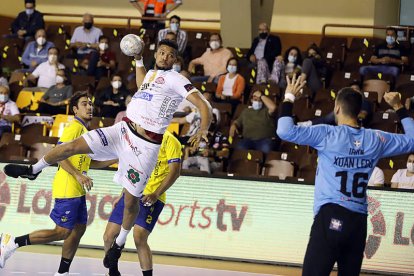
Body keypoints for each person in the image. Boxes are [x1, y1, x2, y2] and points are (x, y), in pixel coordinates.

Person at [3, 39, 212, 275]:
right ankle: (34, 170)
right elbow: (142, 83)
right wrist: (138, 59)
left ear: (175, 60)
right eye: (162, 52)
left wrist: (203, 129)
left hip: (145, 146)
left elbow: (203, 105)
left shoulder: (176, 79)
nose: (165, 56)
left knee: (131, 200)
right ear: (157, 54)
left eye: (170, 55)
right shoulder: (152, 74)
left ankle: (120, 243)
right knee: (71, 146)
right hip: (122, 131)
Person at [276, 74, 414, 276]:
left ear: (337, 109)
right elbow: (412, 140)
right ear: (359, 112)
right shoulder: (375, 138)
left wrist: (289, 97)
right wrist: (399, 107)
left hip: (331, 213)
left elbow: (284, 130)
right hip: (358, 221)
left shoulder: (327, 134)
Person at [0, 91, 117, 273]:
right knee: (62, 232)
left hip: (78, 190)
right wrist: (78, 175)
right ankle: (12, 242)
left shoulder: (85, 132)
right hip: (67, 186)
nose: (89, 107)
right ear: (75, 110)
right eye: (84, 104)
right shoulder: (74, 128)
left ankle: (62, 272)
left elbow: (92, 162)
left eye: (90, 104)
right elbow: (59, 154)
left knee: (78, 229)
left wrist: (117, 158)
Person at [103, 130, 181, 276]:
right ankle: (113, 272)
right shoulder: (141, 138)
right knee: (108, 235)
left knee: (139, 237)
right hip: (132, 193)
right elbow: (133, 169)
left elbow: (175, 171)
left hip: (151, 196)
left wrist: (156, 193)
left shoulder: (171, 141)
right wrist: (122, 194)